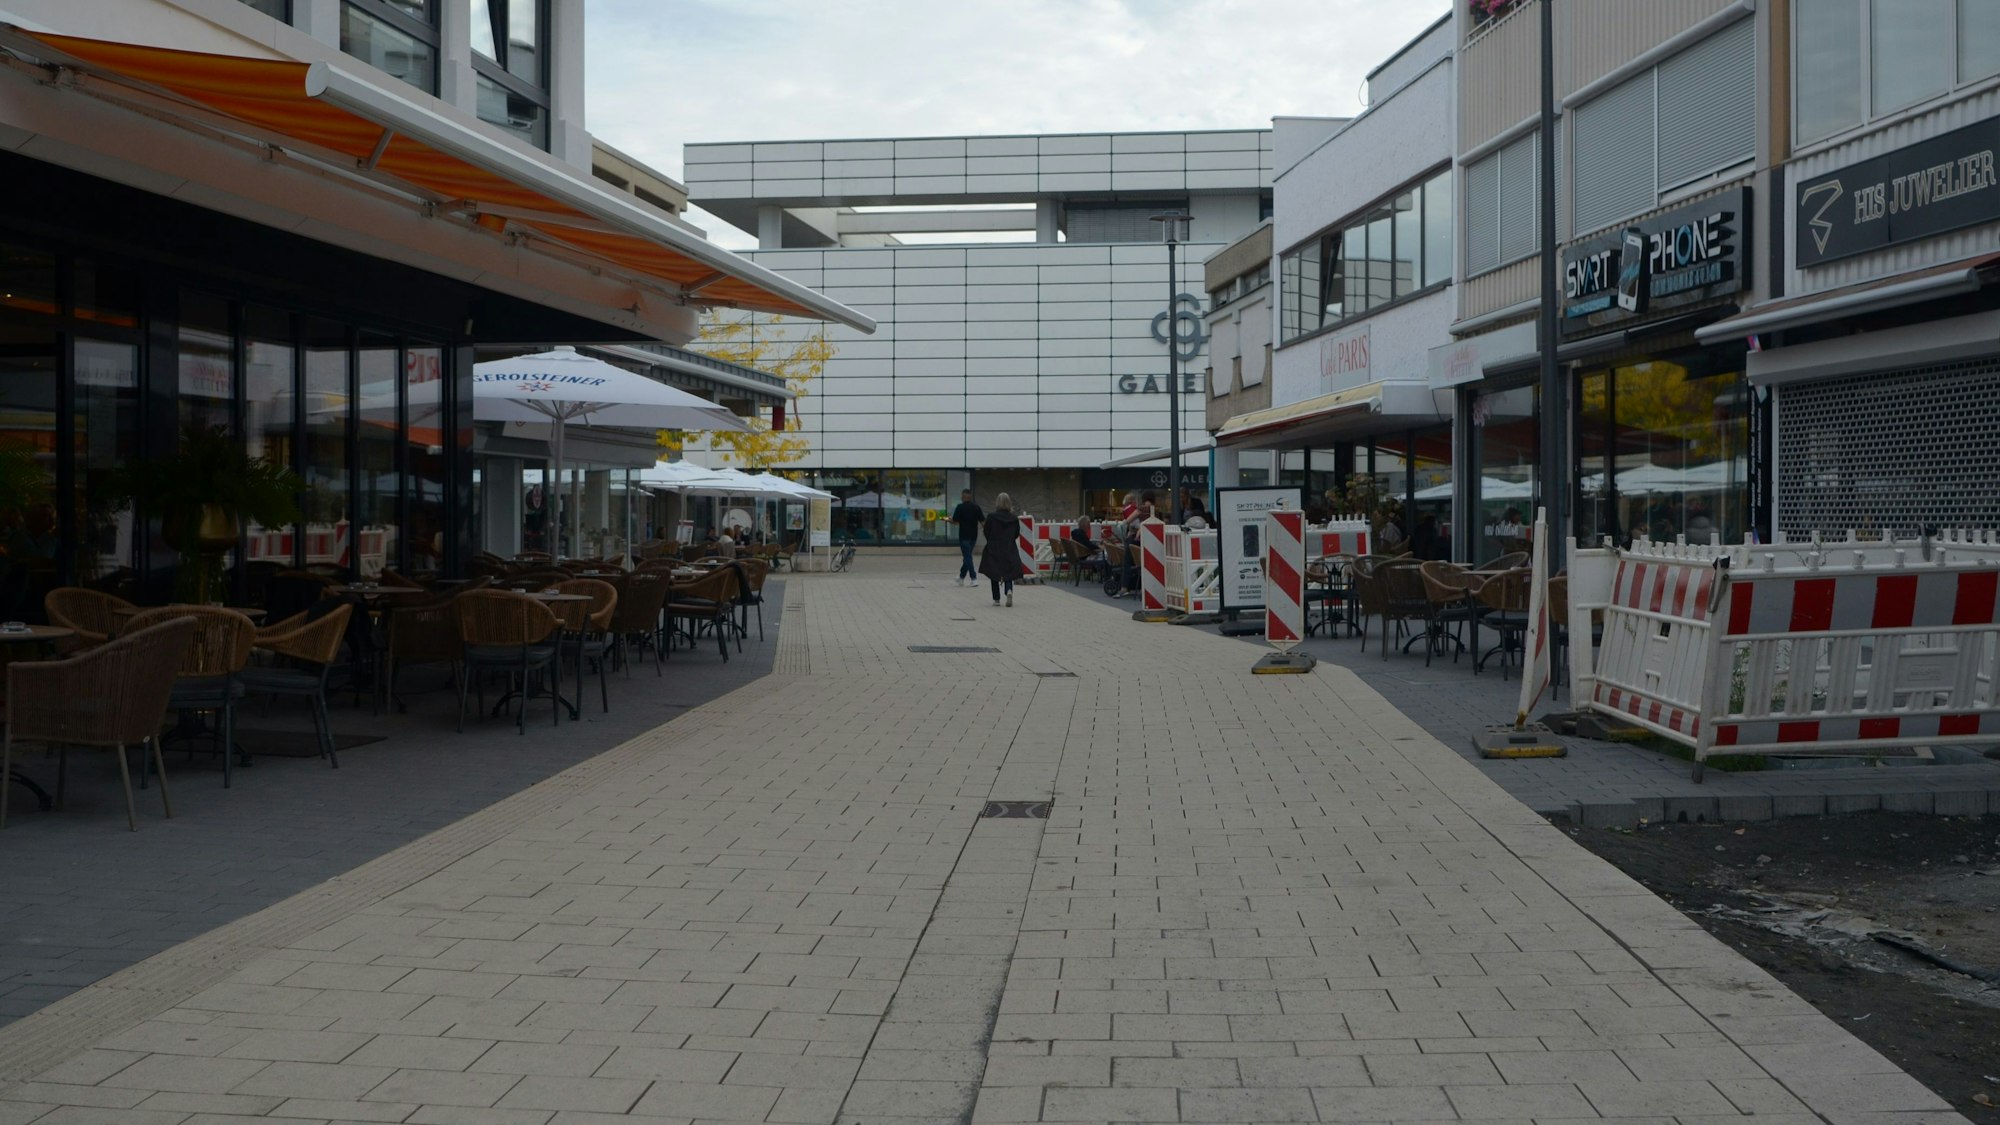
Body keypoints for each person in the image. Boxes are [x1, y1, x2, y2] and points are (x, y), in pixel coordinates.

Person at [979, 493, 1025, 607]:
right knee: (1008, 571)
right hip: (1009, 546)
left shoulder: (991, 517)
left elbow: (986, 531)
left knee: (993, 571)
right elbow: (1016, 533)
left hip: (994, 547)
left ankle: (996, 599)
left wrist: (991, 540)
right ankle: (1008, 590)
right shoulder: (1014, 518)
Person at [950, 488, 983, 585]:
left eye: (961, 495)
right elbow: (983, 521)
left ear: (963, 496)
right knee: (967, 557)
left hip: (964, 536)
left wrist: (948, 520)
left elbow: (955, 522)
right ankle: (961, 578)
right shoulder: (976, 507)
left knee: (968, 557)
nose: (960, 497)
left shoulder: (960, 507)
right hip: (973, 536)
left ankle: (974, 578)